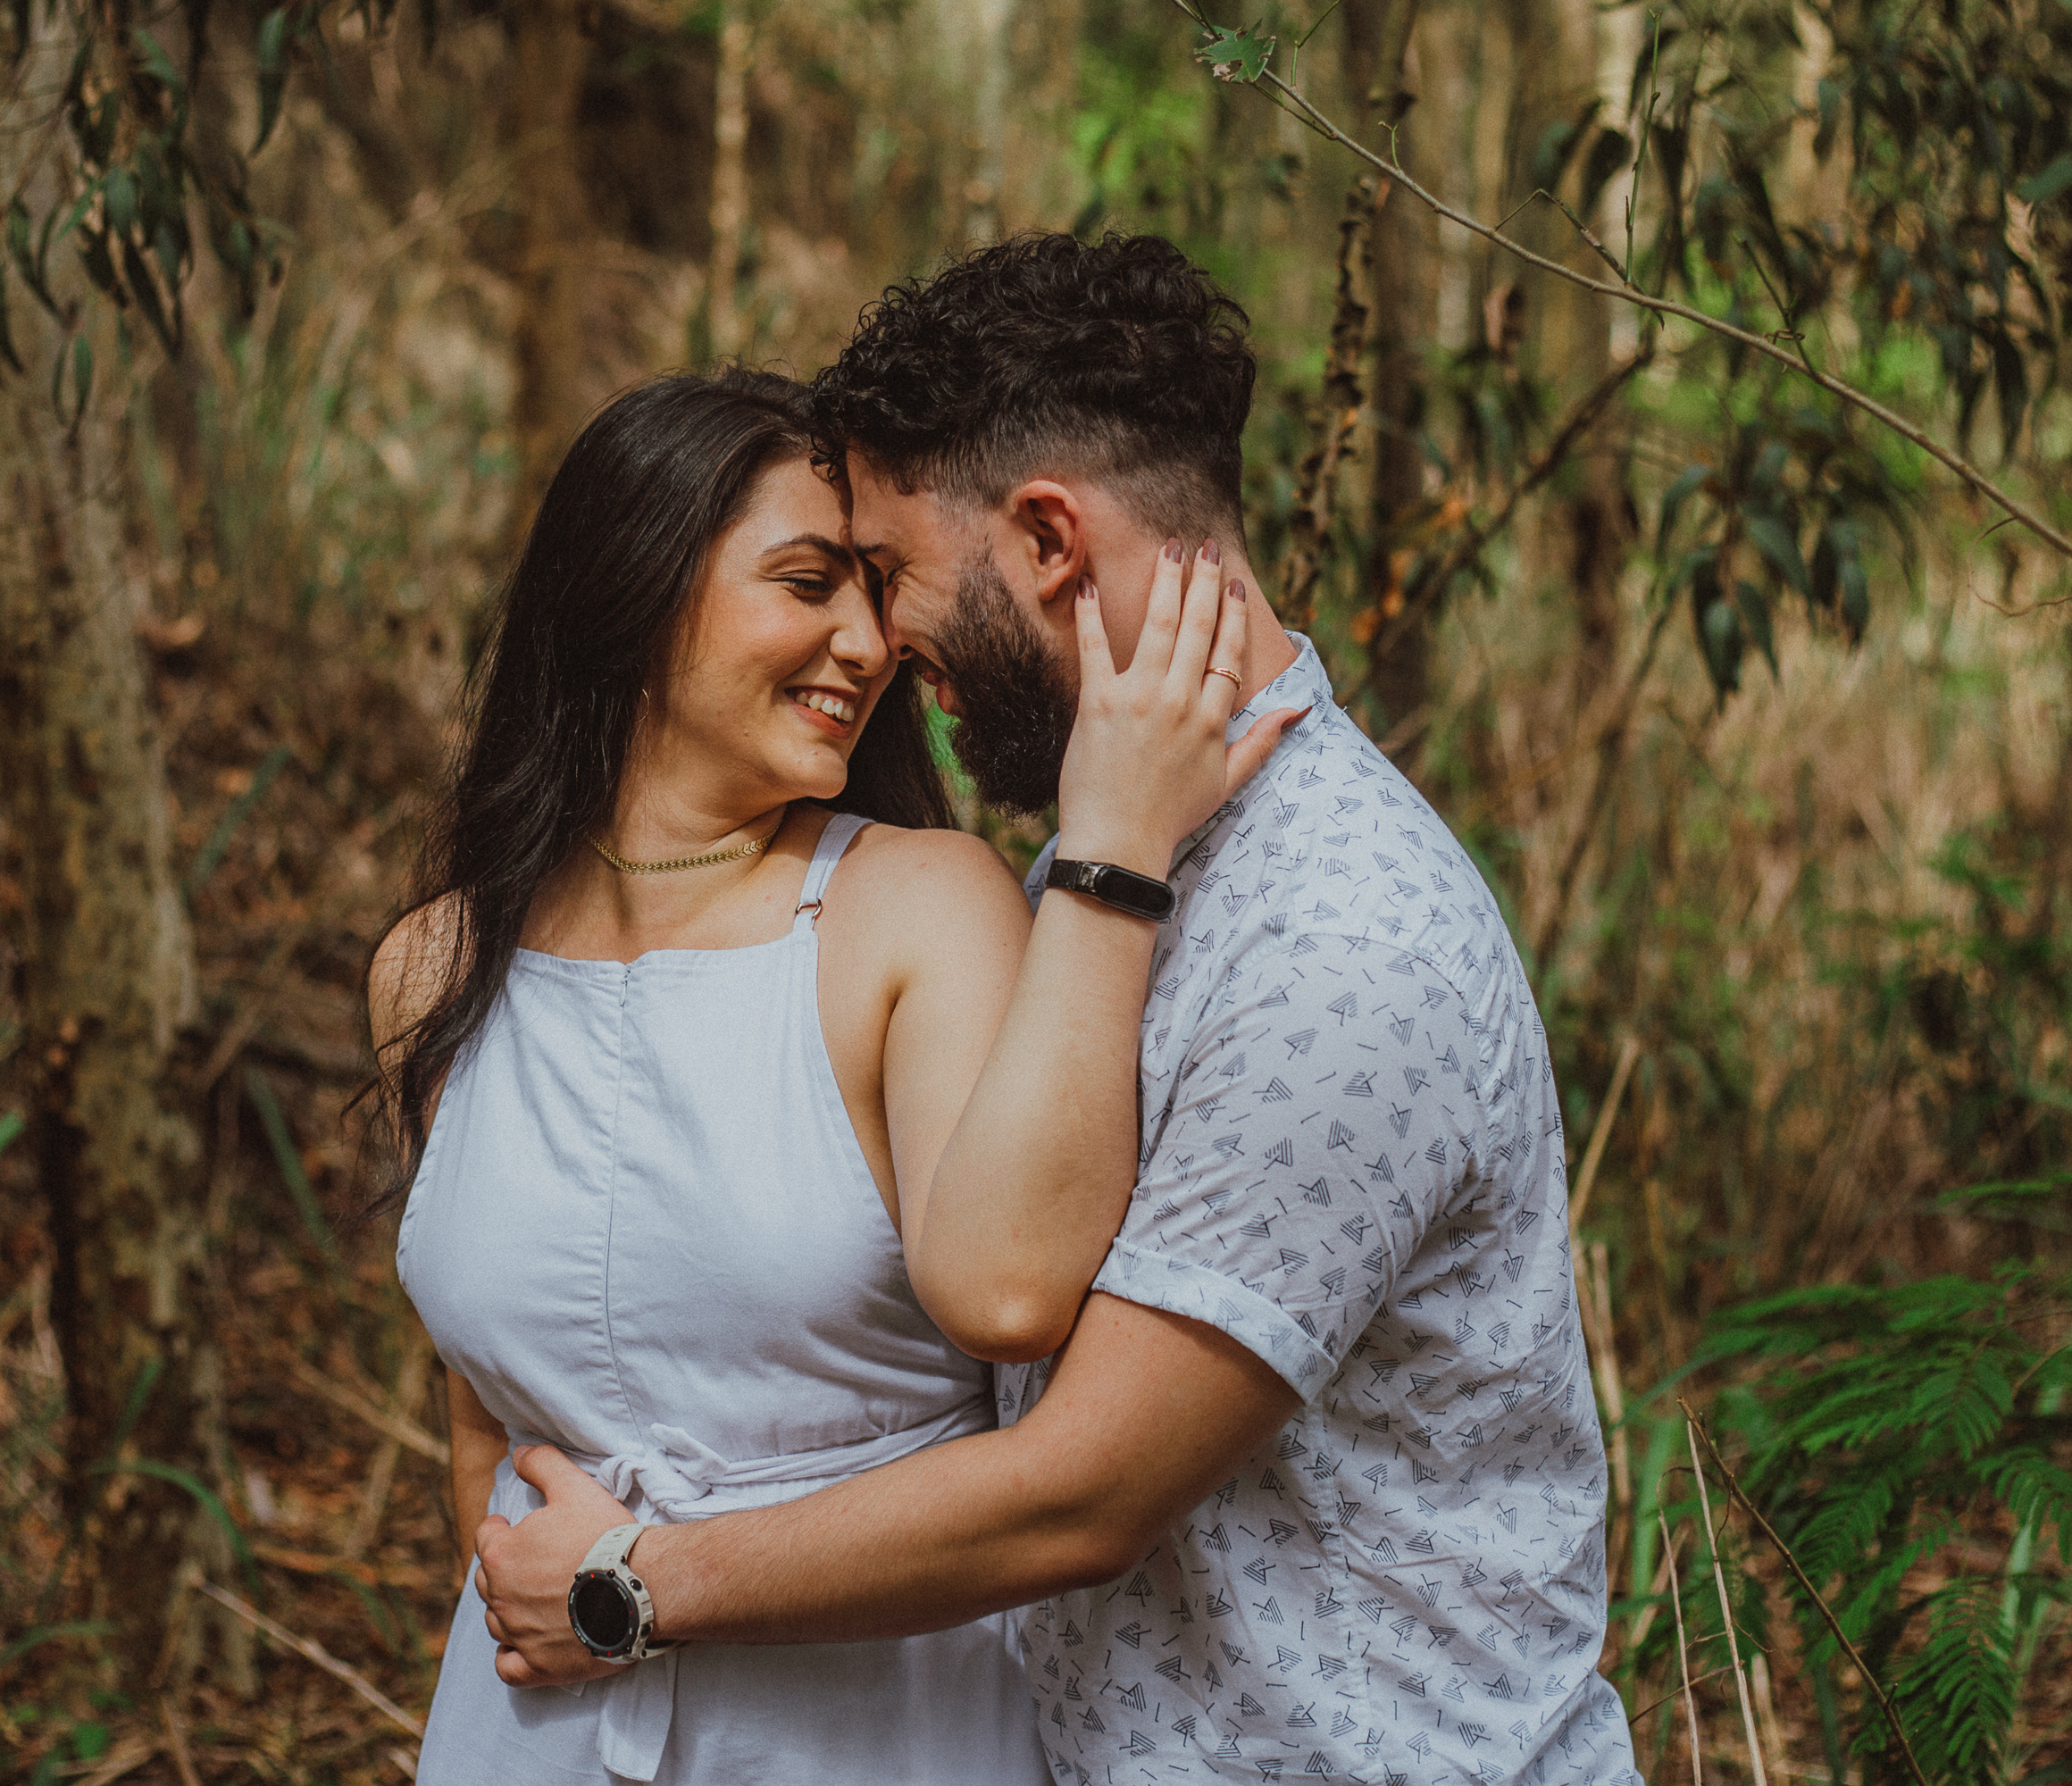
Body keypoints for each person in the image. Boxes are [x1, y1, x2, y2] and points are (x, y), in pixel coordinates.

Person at [472, 236, 1646, 1786]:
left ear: (1044, 539)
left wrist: (635, 1587)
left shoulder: (1342, 948)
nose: (881, 645)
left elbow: (1078, 1496)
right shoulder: (1133, 851)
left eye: (888, 574)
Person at [367, 366, 1287, 1784]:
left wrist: (1109, 856)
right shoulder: (434, 969)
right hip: (527, 1733)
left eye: (872, 588)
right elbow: (485, 1421)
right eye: (807, 585)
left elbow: (1012, 1291)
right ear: (634, 593)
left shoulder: (915, 908)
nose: (866, 641)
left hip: (874, 1734)